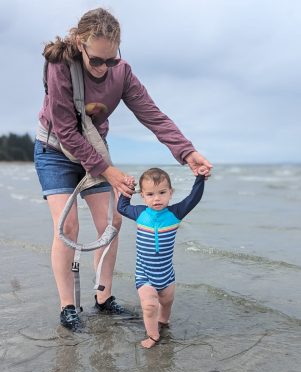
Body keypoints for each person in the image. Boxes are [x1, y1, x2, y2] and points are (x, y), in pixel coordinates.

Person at [34, 7, 212, 329]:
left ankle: (103, 298)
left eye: (111, 60)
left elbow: (152, 115)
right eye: (97, 61)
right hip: (55, 151)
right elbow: (66, 130)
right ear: (79, 44)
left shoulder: (122, 73)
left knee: (112, 221)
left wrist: (187, 152)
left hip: (96, 152)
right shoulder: (60, 66)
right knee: (68, 225)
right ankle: (68, 307)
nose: (104, 68)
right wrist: (109, 171)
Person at [117, 168, 205, 348]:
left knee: (166, 303)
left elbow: (193, 198)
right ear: (142, 196)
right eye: (150, 194)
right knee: (149, 307)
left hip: (166, 274)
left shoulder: (175, 213)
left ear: (170, 193)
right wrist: (127, 189)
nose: (156, 198)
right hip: (145, 275)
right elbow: (122, 207)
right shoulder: (140, 213)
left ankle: (163, 322)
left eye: (162, 193)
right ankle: (153, 335)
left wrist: (200, 178)